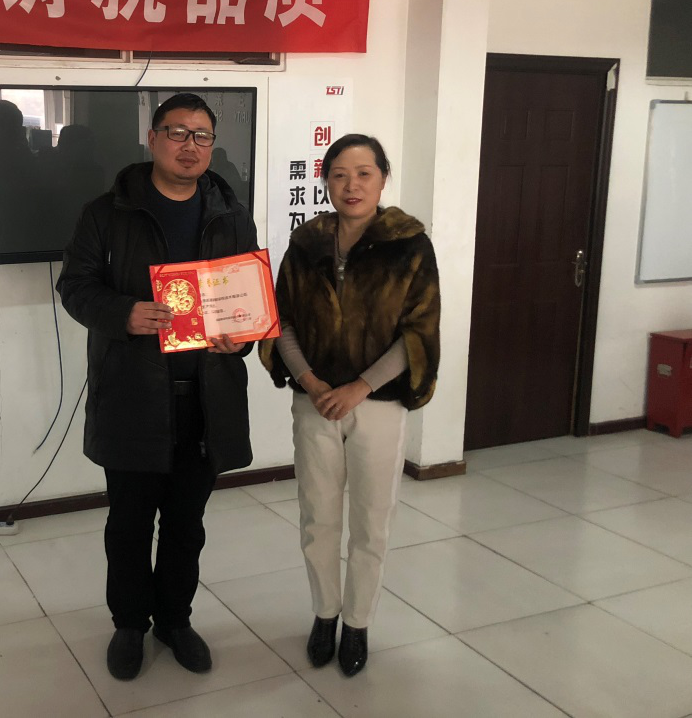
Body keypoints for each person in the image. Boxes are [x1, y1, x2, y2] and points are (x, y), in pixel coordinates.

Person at [56, 93, 259, 681]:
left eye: (202, 135)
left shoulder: (230, 213)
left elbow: (245, 298)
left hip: (206, 398)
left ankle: (175, 620)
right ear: (152, 139)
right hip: (134, 395)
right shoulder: (106, 212)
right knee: (128, 524)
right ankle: (129, 625)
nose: (190, 146)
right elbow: (75, 287)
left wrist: (241, 338)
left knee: (186, 525)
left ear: (212, 145)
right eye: (177, 132)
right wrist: (122, 313)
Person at [258, 134, 440, 677]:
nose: (351, 185)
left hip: (378, 404)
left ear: (383, 178)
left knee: (371, 519)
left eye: (364, 173)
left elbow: (418, 332)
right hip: (314, 401)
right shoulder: (305, 244)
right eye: (339, 174)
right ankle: (324, 614)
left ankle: (358, 622)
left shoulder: (410, 245)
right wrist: (311, 381)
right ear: (325, 182)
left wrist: (360, 386)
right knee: (318, 516)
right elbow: (280, 320)